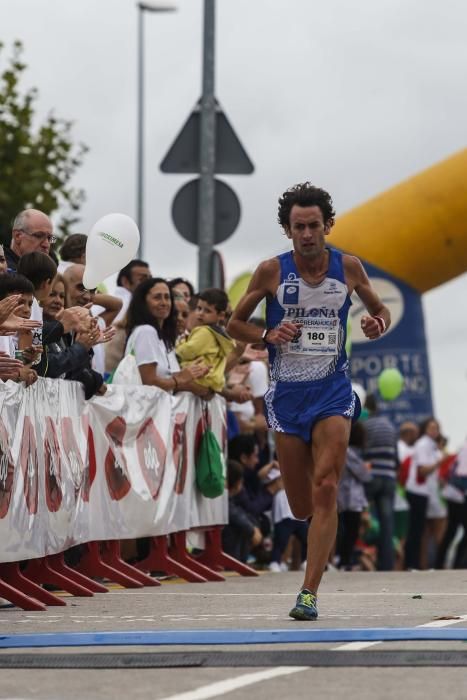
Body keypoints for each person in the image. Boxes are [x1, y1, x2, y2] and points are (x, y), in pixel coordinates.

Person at [228, 182, 390, 620]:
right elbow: (233, 324)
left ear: (328, 226)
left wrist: (377, 323)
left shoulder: (349, 267)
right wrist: (267, 334)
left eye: (314, 225)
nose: (306, 234)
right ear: (288, 230)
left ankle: (308, 592)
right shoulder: (271, 272)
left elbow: (380, 312)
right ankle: (313, 552)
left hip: (333, 390)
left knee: (327, 487)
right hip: (287, 396)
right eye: (298, 227)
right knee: (301, 505)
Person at [125, 277, 208, 394]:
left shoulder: (160, 336)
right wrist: (179, 379)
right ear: (143, 302)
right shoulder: (146, 331)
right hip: (146, 410)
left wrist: (191, 371)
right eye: (157, 297)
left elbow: (164, 377)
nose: (164, 303)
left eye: (167, 297)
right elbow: (150, 382)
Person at [362, 394, 398, 571]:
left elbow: (363, 453)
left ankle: (353, 554)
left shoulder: (366, 425)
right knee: (387, 522)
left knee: (360, 513)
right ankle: (387, 564)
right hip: (389, 477)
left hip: (372, 476)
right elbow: (396, 456)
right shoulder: (390, 426)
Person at [176, 288, 235, 393]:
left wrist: (177, 348)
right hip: (211, 379)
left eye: (207, 311)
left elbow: (190, 350)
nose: (201, 313)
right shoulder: (219, 334)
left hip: (200, 377)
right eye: (199, 308)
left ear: (221, 315)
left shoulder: (205, 332)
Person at [404, 417, 443, 570]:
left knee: (420, 530)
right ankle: (411, 564)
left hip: (424, 492)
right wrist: (439, 463)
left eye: (436, 428)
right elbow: (423, 470)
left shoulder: (432, 446)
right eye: (431, 428)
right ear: (425, 429)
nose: (434, 431)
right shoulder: (423, 444)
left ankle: (417, 564)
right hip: (417, 491)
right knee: (416, 529)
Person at [113, 259, 152, 324]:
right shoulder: (129, 304)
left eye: (150, 279)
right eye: (142, 279)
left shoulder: (111, 299)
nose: (150, 283)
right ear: (125, 282)